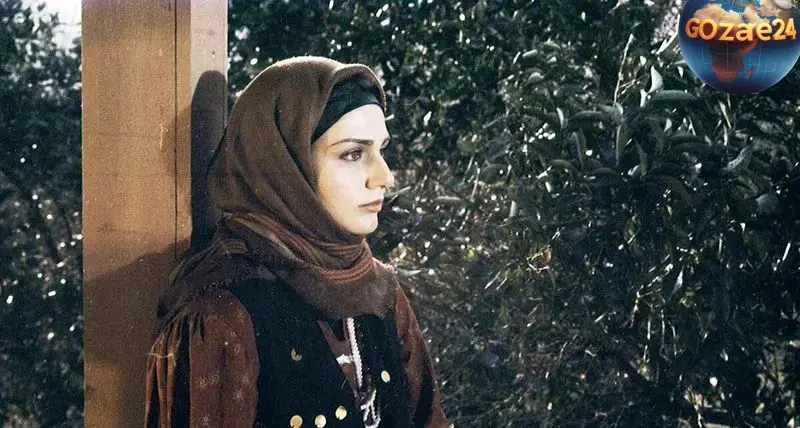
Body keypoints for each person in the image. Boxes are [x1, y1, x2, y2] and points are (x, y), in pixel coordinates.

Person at [144, 56, 451, 428]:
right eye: (353, 154)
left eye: (381, 150)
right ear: (285, 167)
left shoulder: (379, 292)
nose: (383, 176)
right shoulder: (224, 314)